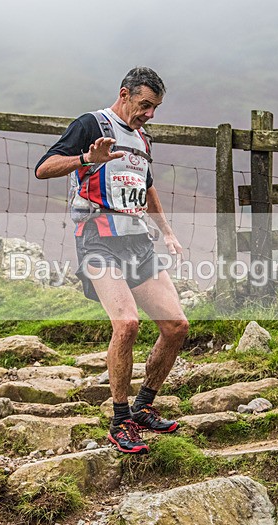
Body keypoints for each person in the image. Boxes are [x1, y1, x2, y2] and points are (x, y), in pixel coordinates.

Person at [35, 67, 189, 454]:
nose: (150, 114)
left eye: (155, 108)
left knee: (176, 326)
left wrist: (166, 231)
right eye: (145, 105)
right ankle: (119, 422)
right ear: (125, 94)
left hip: (138, 240)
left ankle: (143, 408)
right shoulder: (91, 124)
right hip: (97, 238)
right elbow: (43, 169)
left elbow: (148, 186)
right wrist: (85, 158)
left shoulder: (141, 138)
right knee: (127, 324)